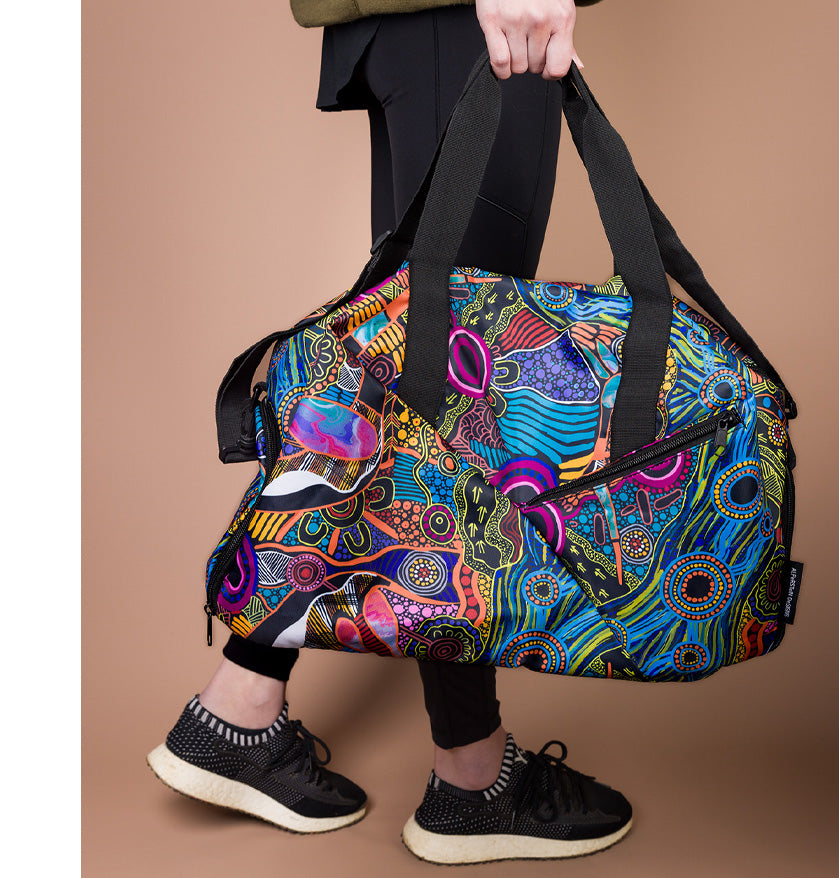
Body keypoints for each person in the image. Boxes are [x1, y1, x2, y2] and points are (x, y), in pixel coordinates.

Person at [147, 0, 631, 865]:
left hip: (420, 25)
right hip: (473, 16)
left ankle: (239, 708)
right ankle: (471, 777)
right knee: (459, 398)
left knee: (415, 371)